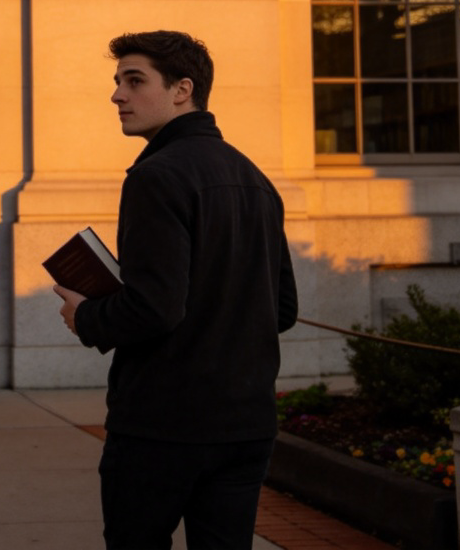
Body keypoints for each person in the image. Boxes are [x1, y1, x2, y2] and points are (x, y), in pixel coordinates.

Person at [54, 31, 298, 550]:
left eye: (134, 80)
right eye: (118, 81)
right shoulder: (255, 178)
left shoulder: (157, 176)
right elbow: (281, 309)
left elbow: (155, 308)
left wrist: (87, 316)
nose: (117, 95)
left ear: (182, 89)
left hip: (161, 428)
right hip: (246, 426)